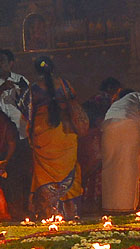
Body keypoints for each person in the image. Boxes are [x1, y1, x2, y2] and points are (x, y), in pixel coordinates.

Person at [28, 55, 82, 220]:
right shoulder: (65, 85)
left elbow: (28, 115)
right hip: (64, 134)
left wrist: (31, 136)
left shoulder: (34, 89)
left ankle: (49, 213)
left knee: (44, 173)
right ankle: (70, 213)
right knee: (69, 170)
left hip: (43, 133)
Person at [100, 81, 140, 214]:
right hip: (129, 127)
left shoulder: (115, 105)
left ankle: (110, 205)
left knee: (110, 166)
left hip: (108, 128)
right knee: (128, 166)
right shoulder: (136, 96)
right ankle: (126, 206)